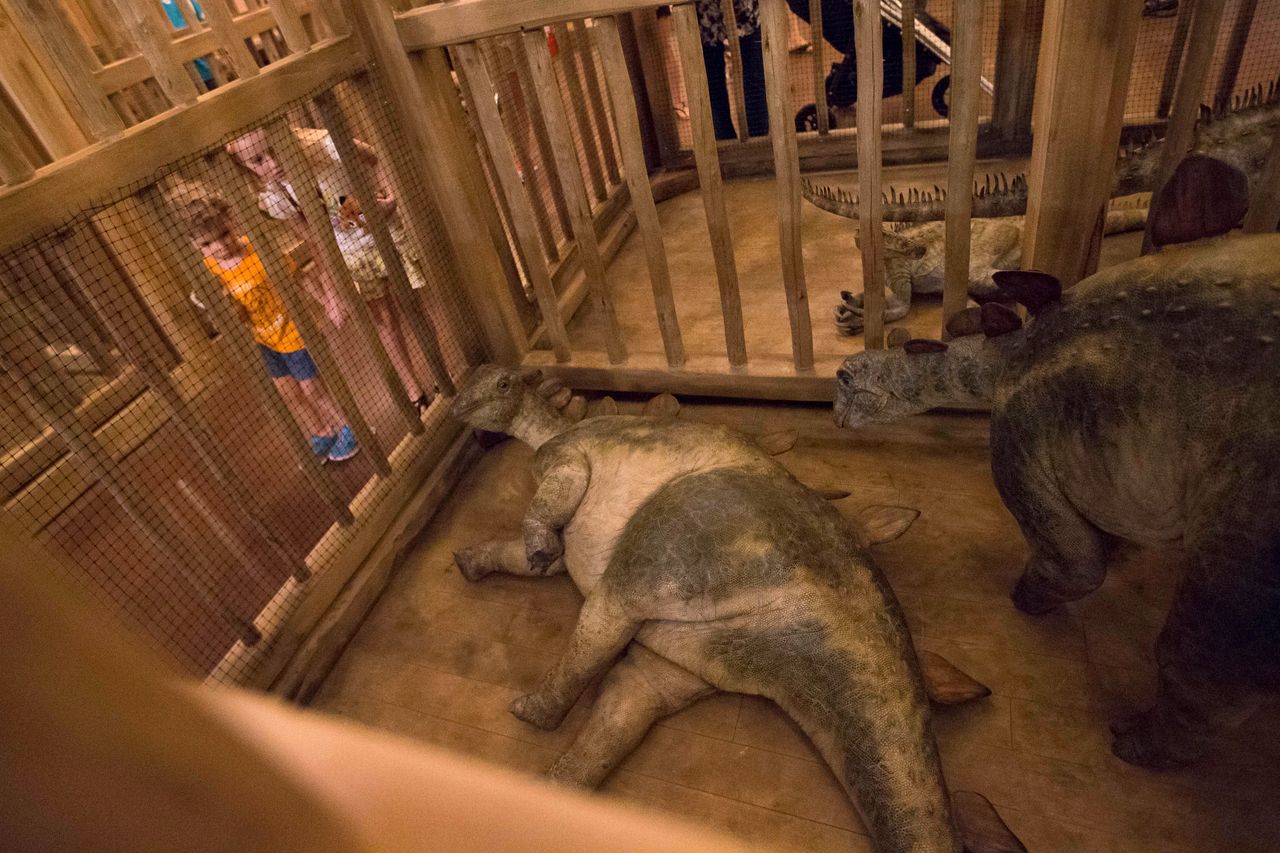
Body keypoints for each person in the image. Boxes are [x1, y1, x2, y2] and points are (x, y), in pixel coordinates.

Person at [227, 128, 436, 411]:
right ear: (245, 166)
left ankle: (440, 373)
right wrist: (331, 292)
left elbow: (376, 157)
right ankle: (414, 391)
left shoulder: (324, 145)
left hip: (386, 236)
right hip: (351, 255)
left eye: (275, 149)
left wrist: (392, 199)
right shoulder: (275, 197)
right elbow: (315, 240)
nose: (273, 164)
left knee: (412, 304)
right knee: (384, 318)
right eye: (258, 160)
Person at [181, 192, 360, 463]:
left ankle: (352, 428)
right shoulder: (210, 269)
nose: (219, 246)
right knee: (289, 393)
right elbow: (222, 305)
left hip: (293, 332)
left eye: (224, 234)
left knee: (313, 390)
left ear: (233, 221)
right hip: (264, 340)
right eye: (207, 243)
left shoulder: (258, 251)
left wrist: (327, 303)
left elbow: (299, 277)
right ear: (195, 245)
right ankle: (323, 432)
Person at [694, 0, 769, 140]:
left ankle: (759, 143)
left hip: (741, 8)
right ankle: (725, 144)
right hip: (705, 9)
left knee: (753, 76)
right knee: (712, 82)